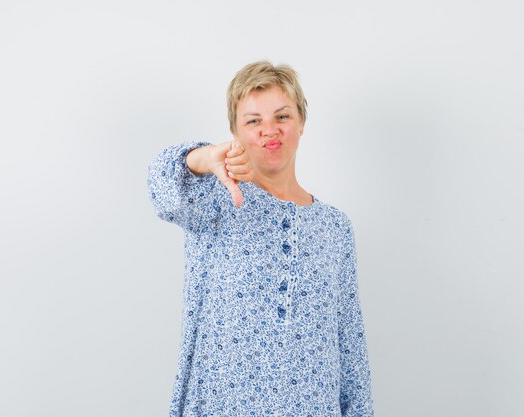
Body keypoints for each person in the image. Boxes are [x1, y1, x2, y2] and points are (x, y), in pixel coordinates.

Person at [147, 60, 374, 416]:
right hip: (222, 405)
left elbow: (350, 343)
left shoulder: (335, 228)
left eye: (282, 117)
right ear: (235, 133)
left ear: (301, 124)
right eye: (253, 121)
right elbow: (163, 188)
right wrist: (203, 157)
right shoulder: (215, 200)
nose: (270, 130)